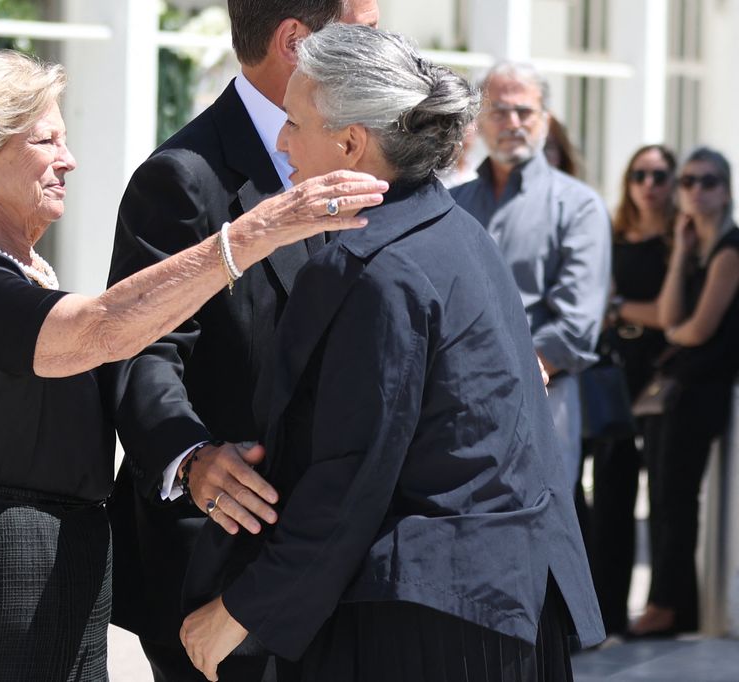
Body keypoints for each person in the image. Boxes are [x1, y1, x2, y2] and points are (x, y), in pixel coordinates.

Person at [0, 50, 386, 681]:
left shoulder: (14, 273)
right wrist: (252, 234)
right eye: (45, 139)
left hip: (56, 566)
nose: (68, 159)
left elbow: (137, 338)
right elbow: (104, 329)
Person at [180, 25, 604, 682]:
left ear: (350, 142)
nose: (283, 140)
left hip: (423, 627)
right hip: (500, 611)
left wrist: (239, 611)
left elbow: (350, 474)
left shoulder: (375, 267)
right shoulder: (457, 231)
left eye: (294, 122)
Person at [106, 1, 379, 680]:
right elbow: (141, 347)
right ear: (296, 41)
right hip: (218, 561)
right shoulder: (181, 177)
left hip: (333, 562)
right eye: (367, 32)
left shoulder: (365, 152)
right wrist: (191, 458)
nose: (384, 48)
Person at [450, 62, 611, 489]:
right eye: (500, 111)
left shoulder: (579, 206)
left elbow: (577, 325)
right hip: (454, 402)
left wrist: (507, 377)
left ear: (546, 119)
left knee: (538, 536)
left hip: (545, 398)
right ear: (479, 121)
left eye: (525, 111)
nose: (513, 123)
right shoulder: (451, 204)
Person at [630, 146, 739, 637]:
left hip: (702, 391)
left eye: (708, 182)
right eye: (689, 182)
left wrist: (673, 331)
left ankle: (669, 605)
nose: (696, 190)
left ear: (726, 190)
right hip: (678, 391)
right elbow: (673, 315)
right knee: (665, 496)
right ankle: (672, 604)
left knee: (676, 499)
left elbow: (692, 330)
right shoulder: (694, 247)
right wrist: (678, 250)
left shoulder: (731, 249)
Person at [589, 144, 675, 636]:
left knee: (664, 498)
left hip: (662, 375)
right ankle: (607, 613)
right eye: (640, 174)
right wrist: (621, 309)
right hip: (616, 373)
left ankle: (664, 607)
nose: (650, 185)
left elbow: (666, 314)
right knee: (611, 496)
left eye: (661, 175)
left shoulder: (680, 241)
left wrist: (620, 307)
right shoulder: (613, 234)